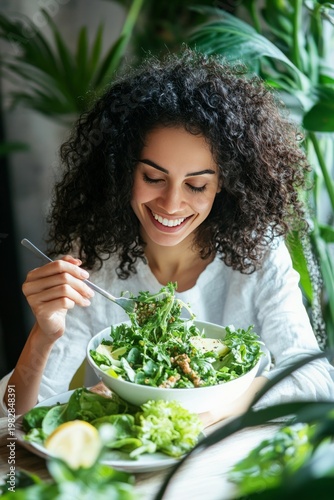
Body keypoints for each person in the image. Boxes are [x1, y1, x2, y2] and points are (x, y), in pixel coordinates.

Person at [1, 47, 333, 423]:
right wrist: (43, 335)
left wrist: (202, 411)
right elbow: (16, 420)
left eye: (196, 185)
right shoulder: (94, 258)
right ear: (124, 170)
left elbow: (314, 378)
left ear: (224, 184)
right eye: (154, 178)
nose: (171, 204)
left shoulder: (258, 251)